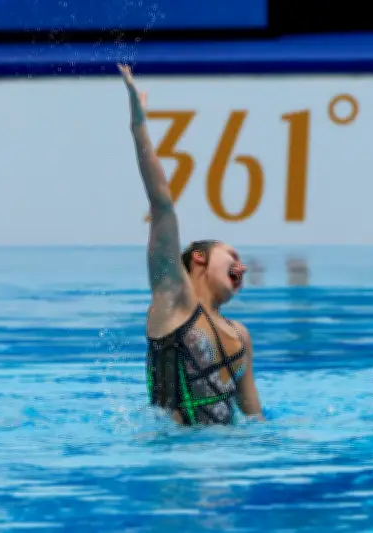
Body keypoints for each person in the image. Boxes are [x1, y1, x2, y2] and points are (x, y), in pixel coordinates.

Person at [117, 65, 264, 426]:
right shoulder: (173, 302)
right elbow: (162, 203)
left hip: (224, 459)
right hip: (171, 460)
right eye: (232, 256)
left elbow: (254, 418)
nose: (241, 267)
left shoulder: (240, 335)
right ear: (199, 257)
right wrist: (138, 127)